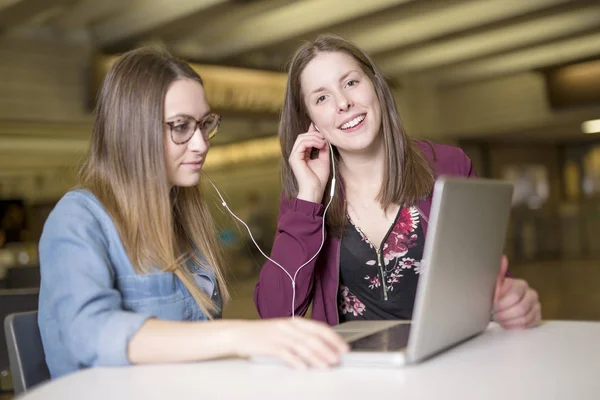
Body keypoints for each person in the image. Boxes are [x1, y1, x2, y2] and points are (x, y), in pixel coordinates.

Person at [38, 47, 348, 379]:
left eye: (205, 124)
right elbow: (89, 332)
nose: (201, 144)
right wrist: (239, 336)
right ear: (132, 131)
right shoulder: (77, 219)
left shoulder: (185, 222)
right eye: (181, 126)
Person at [254, 34, 541, 329]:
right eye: (321, 98)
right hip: (354, 369)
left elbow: (488, 277)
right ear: (309, 121)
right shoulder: (306, 196)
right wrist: (309, 198)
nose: (343, 103)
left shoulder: (448, 165)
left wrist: (513, 299)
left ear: (376, 86)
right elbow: (276, 314)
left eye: (351, 82)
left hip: (451, 359)